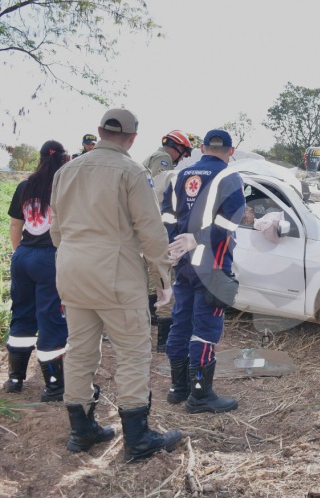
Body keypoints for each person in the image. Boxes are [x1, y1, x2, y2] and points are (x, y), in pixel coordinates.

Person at [50, 108, 182, 462]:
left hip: (71, 271)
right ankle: (137, 438)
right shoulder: (132, 171)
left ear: (99, 131)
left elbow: (56, 230)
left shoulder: (66, 170)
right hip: (116, 274)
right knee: (133, 352)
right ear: (133, 137)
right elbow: (152, 232)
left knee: (78, 350)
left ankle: (82, 431)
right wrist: (163, 280)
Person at [161, 129, 245, 414]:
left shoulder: (179, 175)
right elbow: (230, 223)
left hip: (184, 263)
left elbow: (167, 216)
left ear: (203, 148)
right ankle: (200, 394)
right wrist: (197, 239)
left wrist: (176, 244)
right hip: (213, 264)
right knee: (206, 329)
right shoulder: (229, 176)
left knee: (181, 322)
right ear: (230, 151)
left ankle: (178, 388)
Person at [4, 141, 70, 402]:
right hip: (50, 258)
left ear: (40, 158)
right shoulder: (63, 187)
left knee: (22, 313)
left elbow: (15, 226)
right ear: (63, 159)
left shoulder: (24, 186)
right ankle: (54, 386)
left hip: (23, 256)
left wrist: (20, 252)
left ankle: (15, 379)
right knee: (51, 318)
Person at [142, 130, 193, 347]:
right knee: (162, 275)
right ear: (178, 148)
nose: (182, 158)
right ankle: (161, 335)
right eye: (183, 153)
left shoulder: (154, 157)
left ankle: (152, 317)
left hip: (148, 224)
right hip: (155, 225)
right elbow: (157, 188)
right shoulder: (163, 159)